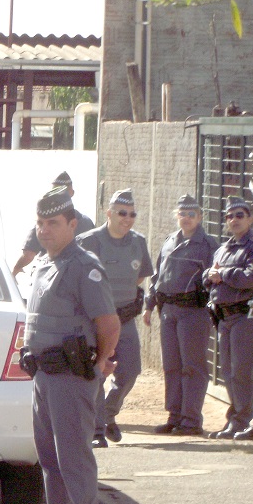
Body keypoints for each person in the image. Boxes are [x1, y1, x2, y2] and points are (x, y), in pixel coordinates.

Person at [18, 187, 120, 504]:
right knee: (50, 460)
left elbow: (108, 323)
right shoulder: (45, 263)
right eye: (41, 223)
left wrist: (99, 364)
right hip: (44, 375)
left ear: (72, 225)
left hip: (71, 377)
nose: (45, 230)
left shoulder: (83, 265)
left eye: (53, 223)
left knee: (74, 459)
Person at [77, 189, 154, 447]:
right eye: (122, 213)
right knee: (97, 371)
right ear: (108, 213)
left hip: (125, 318)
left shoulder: (138, 241)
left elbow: (140, 277)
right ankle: (97, 431)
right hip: (97, 320)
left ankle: (108, 414)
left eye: (132, 214)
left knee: (131, 370)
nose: (128, 218)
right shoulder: (88, 241)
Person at [141, 195, 218, 436]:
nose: (186, 219)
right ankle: (174, 416)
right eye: (182, 214)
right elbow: (157, 277)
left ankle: (191, 420)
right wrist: (149, 305)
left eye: (191, 214)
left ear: (200, 217)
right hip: (169, 312)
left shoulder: (208, 245)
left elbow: (214, 279)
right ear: (177, 216)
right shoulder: (169, 241)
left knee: (192, 367)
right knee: (171, 366)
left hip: (193, 312)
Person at [204, 196, 253, 440]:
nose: (234, 220)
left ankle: (245, 421)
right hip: (223, 317)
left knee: (242, 370)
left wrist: (223, 274)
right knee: (227, 371)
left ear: (250, 218)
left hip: (245, 315)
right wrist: (212, 275)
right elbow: (208, 277)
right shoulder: (223, 248)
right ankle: (236, 420)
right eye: (230, 216)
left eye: (240, 215)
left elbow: (252, 278)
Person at [11, 171, 97, 278]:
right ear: (72, 193)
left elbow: (28, 255)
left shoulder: (44, 221)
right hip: (83, 277)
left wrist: (15, 270)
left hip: (51, 276)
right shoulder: (86, 221)